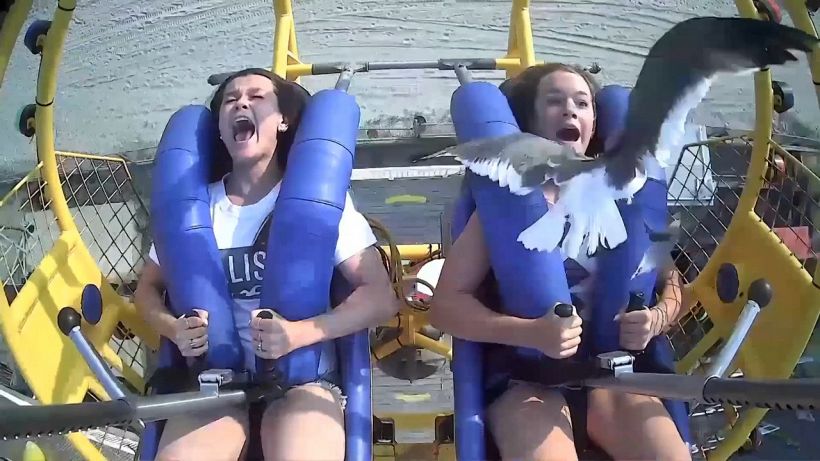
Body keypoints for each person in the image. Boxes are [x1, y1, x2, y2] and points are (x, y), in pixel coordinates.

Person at [134, 67, 400, 461]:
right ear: (220, 130)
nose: (241, 104)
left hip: (301, 382)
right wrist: (172, 328)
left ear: (282, 121)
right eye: (230, 100)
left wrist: (298, 334)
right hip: (215, 385)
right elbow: (146, 290)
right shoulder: (194, 208)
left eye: (257, 97)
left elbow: (380, 298)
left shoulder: (321, 202)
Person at [430, 63, 690, 461]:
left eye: (582, 103)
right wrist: (532, 333)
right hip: (528, 381)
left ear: (593, 124)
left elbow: (671, 283)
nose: (570, 110)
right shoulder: (507, 208)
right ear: (531, 122)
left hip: (614, 375)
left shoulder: (626, 196)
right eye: (554, 102)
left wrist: (657, 318)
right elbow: (446, 307)